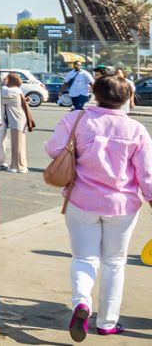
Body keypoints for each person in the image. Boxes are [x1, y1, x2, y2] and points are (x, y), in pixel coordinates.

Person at [45, 75, 152, 339]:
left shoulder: (75, 120)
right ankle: (107, 322)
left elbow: (53, 149)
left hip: (81, 201)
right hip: (122, 205)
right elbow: (147, 174)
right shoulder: (136, 129)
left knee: (83, 258)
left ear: (94, 93)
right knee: (115, 262)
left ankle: (82, 302)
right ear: (127, 98)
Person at [0, 72, 33, 173]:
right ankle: (20, 165)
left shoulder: (6, 91)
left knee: (17, 144)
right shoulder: (17, 90)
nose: (4, 80)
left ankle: (18, 167)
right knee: (20, 143)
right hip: (20, 119)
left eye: (6, 78)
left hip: (16, 120)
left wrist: (2, 83)